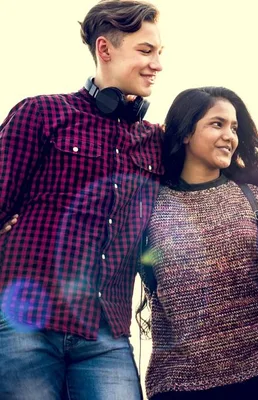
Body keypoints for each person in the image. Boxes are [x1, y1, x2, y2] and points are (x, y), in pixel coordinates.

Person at [0, 1, 163, 398]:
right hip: (27, 324)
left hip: (106, 332)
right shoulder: (40, 113)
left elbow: (219, 166)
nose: (157, 64)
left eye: (160, 53)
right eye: (145, 51)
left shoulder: (156, 141)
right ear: (105, 49)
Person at [138, 87, 258, 400]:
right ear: (186, 132)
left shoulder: (253, 201)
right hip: (177, 385)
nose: (229, 136)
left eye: (233, 128)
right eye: (217, 124)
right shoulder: (148, 208)